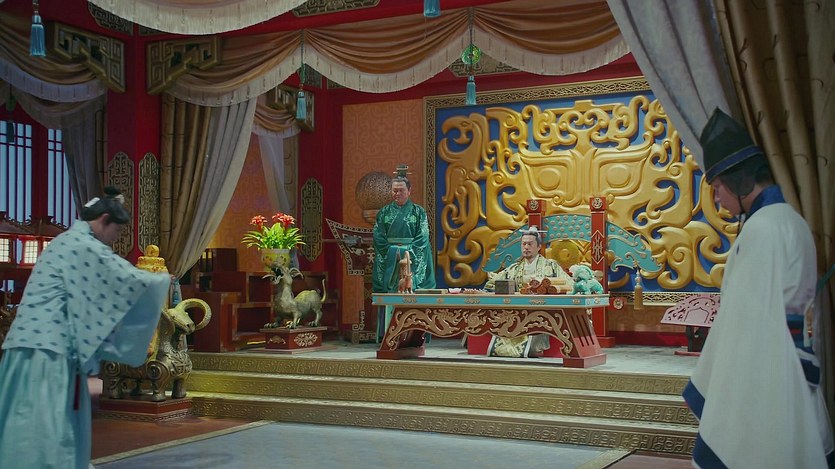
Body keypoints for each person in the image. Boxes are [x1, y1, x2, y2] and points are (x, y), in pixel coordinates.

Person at [683, 109, 834, 468]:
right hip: (793, 360)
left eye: (717, 187)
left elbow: (746, 320)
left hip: (768, 371)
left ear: (739, 182)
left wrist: (725, 383)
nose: (716, 199)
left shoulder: (763, 228)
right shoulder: (791, 220)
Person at [0, 187, 171, 469]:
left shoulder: (64, 242)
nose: (115, 239)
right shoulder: (84, 245)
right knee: (46, 429)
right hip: (48, 352)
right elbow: (125, 278)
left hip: (26, 346)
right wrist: (160, 280)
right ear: (103, 219)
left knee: (26, 422)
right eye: (116, 231)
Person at [484, 227, 574, 357]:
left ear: (539, 247)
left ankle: (531, 346)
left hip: (542, 312)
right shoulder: (514, 268)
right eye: (524, 244)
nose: (526, 247)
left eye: (530, 244)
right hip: (516, 312)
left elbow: (569, 284)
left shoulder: (551, 266)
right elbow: (492, 283)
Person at [372, 172, 435, 337]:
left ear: (409, 191)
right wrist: (393, 252)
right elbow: (378, 236)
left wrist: (407, 252)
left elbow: (423, 236)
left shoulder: (418, 212)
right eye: (394, 190)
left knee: (413, 285)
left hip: (412, 256)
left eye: (401, 190)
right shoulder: (384, 213)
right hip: (390, 257)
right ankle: (388, 334)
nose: (397, 194)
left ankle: (415, 334)